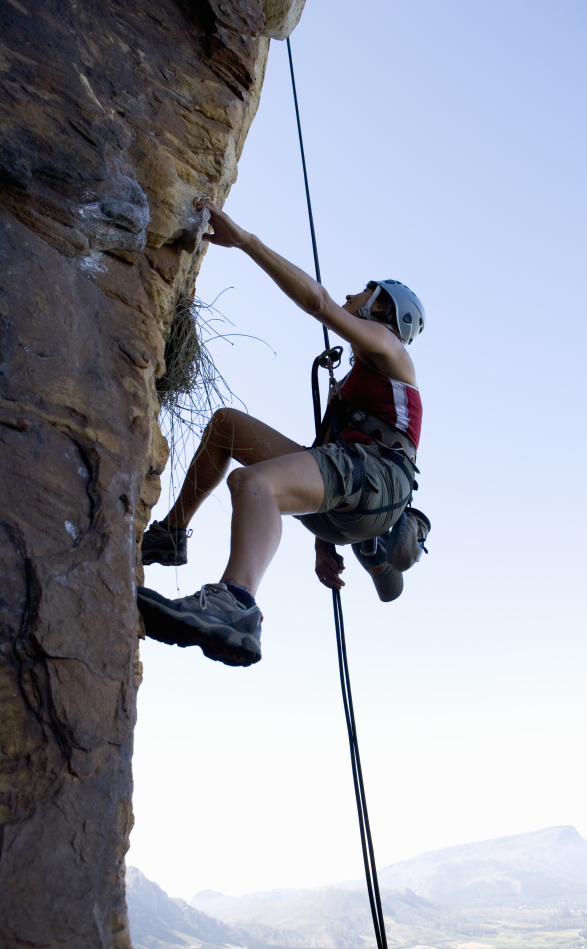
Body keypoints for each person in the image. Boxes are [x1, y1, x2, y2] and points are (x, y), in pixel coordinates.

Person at [137, 197, 426, 668]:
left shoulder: (391, 349)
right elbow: (329, 464)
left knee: (253, 484)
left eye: (363, 293)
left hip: (380, 478)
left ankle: (237, 603)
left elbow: (319, 303)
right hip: (357, 490)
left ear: (381, 309)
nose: (352, 296)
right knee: (226, 427)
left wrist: (247, 242)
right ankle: (171, 535)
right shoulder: (357, 383)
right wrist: (323, 540)